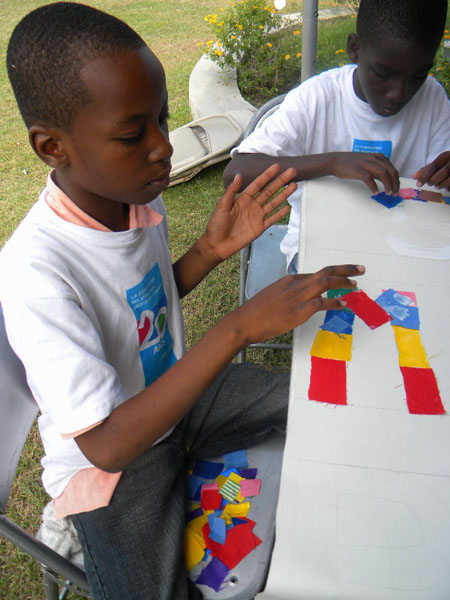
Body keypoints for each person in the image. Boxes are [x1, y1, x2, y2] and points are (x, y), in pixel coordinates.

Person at [1, 3, 365, 599]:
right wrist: (239, 328)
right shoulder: (36, 271)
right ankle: (73, 534)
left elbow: (139, 306)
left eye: (162, 120)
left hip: (177, 401)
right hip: (113, 469)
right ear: (51, 147)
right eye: (132, 133)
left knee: (319, 401)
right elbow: (107, 442)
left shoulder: (136, 198)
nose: (163, 147)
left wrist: (209, 251)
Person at [224, 0, 450, 273]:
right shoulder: (315, 99)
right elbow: (235, 174)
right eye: (383, 73)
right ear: (355, 49)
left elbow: (439, 193)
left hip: (404, 251)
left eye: (418, 75)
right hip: (321, 252)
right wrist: (331, 163)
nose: (398, 93)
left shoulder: (433, 99)